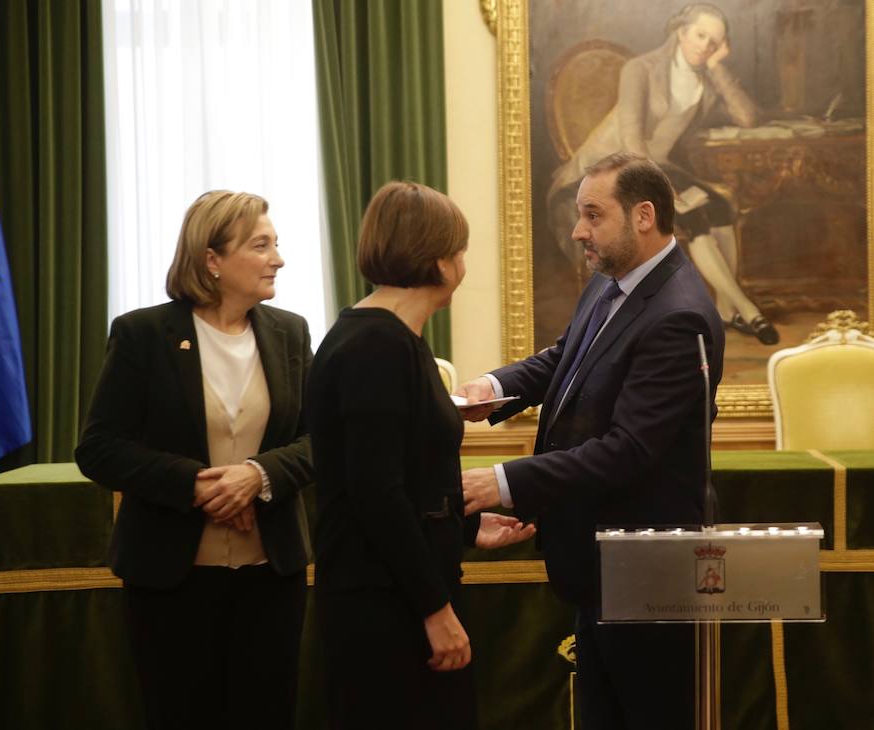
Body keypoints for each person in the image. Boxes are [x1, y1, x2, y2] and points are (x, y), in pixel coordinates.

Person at [459, 153, 724, 729]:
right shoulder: (613, 282)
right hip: (601, 563)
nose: (579, 230)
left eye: (593, 215)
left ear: (643, 216)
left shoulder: (678, 315)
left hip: (645, 572)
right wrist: (495, 387)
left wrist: (503, 482)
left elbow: (629, 450)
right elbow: (567, 356)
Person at [75, 191, 314, 730]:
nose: (278, 259)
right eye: (261, 245)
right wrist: (196, 485)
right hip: (170, 578)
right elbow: (99, 447)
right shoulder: (142, 335)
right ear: (212, 259)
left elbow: (320, 439)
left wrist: (258, 476)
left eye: (276, 244)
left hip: (271, 576)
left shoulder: (290, 332)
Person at [306, 181, 536, 730]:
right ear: (438, 261)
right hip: (385, 603)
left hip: (396, 589)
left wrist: (464, 525)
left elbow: (405, 477)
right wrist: (434, 609)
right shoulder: (376, 345)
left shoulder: (391, 337)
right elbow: (375, 494)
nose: (463, 266)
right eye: (460, 252)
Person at [548, 2, 778, 345]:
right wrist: (666, 191)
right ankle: (748, 309)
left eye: (714, 42)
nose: (705, 46)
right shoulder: (640, 69)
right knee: (694, 215)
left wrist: (717, 68)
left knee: (719, 207)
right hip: (610, 168)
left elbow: (748, 117)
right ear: (682, 32)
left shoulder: (705, 81)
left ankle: (727, 311)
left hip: (656, 165)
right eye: (700, 35)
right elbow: (631, 138)